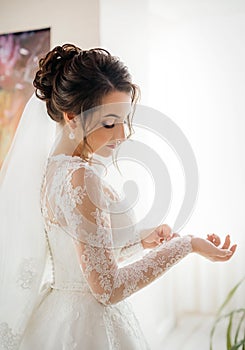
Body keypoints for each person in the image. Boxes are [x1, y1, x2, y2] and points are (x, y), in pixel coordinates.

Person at [0, 44, 237, 350]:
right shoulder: (81, 178)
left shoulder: (52, 171)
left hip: (60, 315)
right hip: (87, 326)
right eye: (110, 122)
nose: (123, 134)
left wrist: (140, 240)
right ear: (72, 117)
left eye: (125, 120)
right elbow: (107, 288)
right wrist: (186, 245)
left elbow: (82, 257)